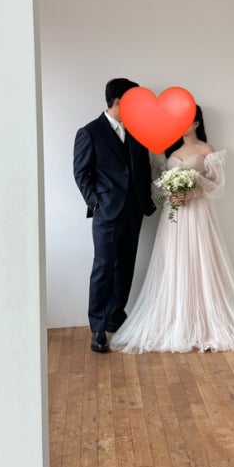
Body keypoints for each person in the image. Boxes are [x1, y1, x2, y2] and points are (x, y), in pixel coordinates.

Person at [110, 105, 234, 353]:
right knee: (175, 261)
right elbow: (160, 184)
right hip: (175, 217)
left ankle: (206, 319)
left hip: (198, 213)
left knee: (200, 259)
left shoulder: (206, 150)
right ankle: (176, 318)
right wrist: (170, 193)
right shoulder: (172, 152)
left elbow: (217, 185)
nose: (181, 125)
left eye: (186, 120)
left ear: (196, 124)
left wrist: (191, 192)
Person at [73, 78, 156, 353]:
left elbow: (142, 167)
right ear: (119, 101)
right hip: (106, 212)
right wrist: (95, 203)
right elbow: (81, 173)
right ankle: (97, 327)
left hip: (134, 210)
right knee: (103, 268)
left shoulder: (137, 131)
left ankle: (115, 316)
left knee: (126, 267)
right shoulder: (90, 132)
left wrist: (145, 198)